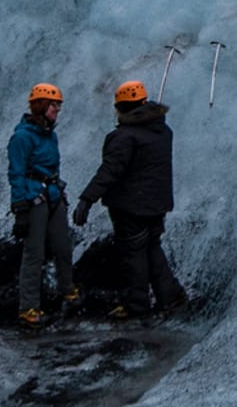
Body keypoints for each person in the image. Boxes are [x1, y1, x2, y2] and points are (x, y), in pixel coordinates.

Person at [73, 80, 188, 320]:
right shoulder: (163, 131)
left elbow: (110, 170)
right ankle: (172, 297)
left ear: (123, 108)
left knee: (133, 254)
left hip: (131, 207)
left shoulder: (124, 137)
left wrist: (87, 199)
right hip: (157, 204)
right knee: (152, 249)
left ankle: (137, 306)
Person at [8, 82, 77, 328]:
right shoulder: (22, 137)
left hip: (53, 194)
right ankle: (28, 308)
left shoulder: (51, 135)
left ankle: (68, 291)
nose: (57, 109)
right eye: (54, 105)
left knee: (62, 246)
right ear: (41, 106)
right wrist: (20, 207)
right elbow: (16, 173)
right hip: (33, 196)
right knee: (34, 253)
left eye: (58, 105)